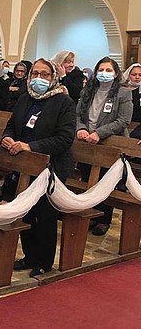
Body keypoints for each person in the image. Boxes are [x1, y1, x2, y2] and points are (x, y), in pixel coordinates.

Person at [1, 58, 75, 276]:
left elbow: (64, 139)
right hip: (25, 165)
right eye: (35, 74)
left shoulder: (63, 102)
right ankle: (30, 256)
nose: (39, 79)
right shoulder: (25, 99)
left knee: (44, 214)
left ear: (54, 78)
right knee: (27, 211)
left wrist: (30, 146)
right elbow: (11, 126)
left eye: (45, 75)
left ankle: (43, 261)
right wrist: (7, 138)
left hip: (51, 167)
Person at [76, 56, 133, 236]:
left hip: (109, 141)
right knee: (87, 178)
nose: (104, 73)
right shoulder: (89, 90)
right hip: (86, 140)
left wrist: (99, 133)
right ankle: (91, 213)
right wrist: (81, 128)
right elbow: (78, 113)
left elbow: (124, 120)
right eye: (101, 70)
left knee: (105, 181)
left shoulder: (123, 93)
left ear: (116, 74)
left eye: (108, 70)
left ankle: (104, 219)